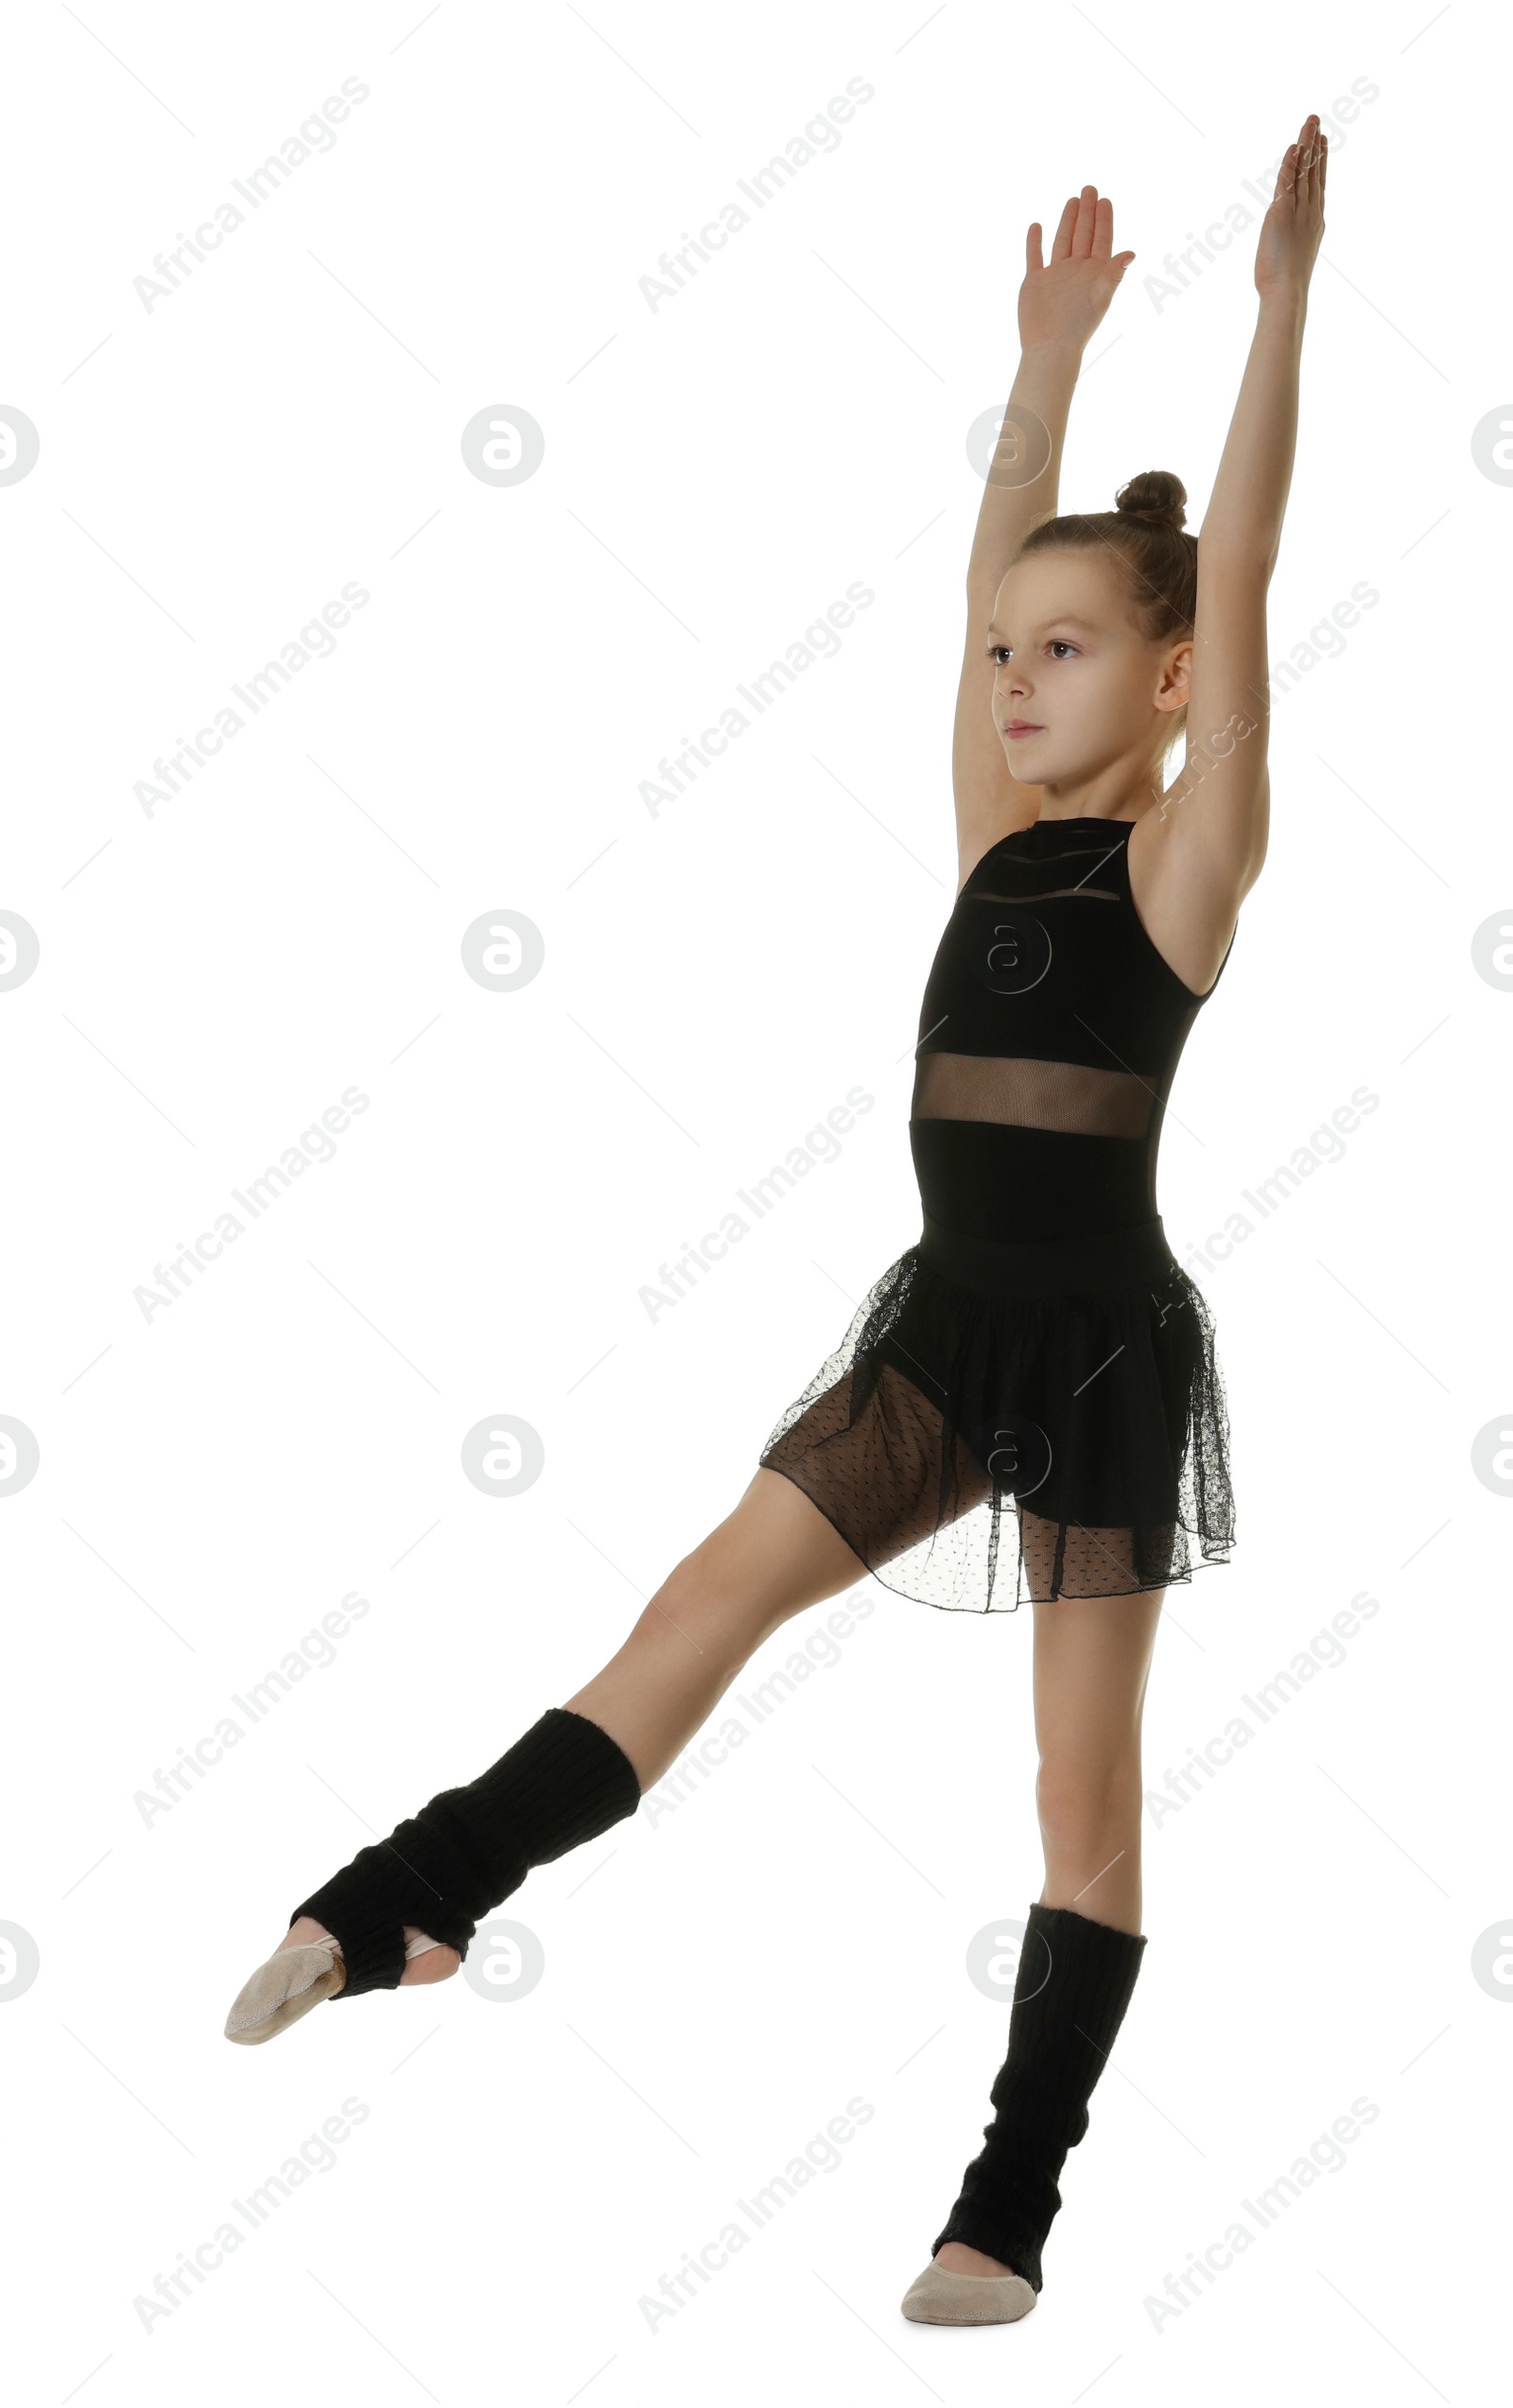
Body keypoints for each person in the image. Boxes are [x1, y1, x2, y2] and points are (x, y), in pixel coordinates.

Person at [225, 118, 1327, 2333]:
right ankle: (412, 1897)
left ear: (1174, 684)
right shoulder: (982, 837)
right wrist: (1041, 370)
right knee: (698, 1593)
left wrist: (1274, 311)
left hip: (1102, 1358)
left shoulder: (1174, 875)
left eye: (1066, 652)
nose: (1014, 680)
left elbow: (1257, 567)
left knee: (1076, 1792)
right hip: (942, 1336)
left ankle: (1001, 2208)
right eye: (1005, 651)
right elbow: (969, 587)